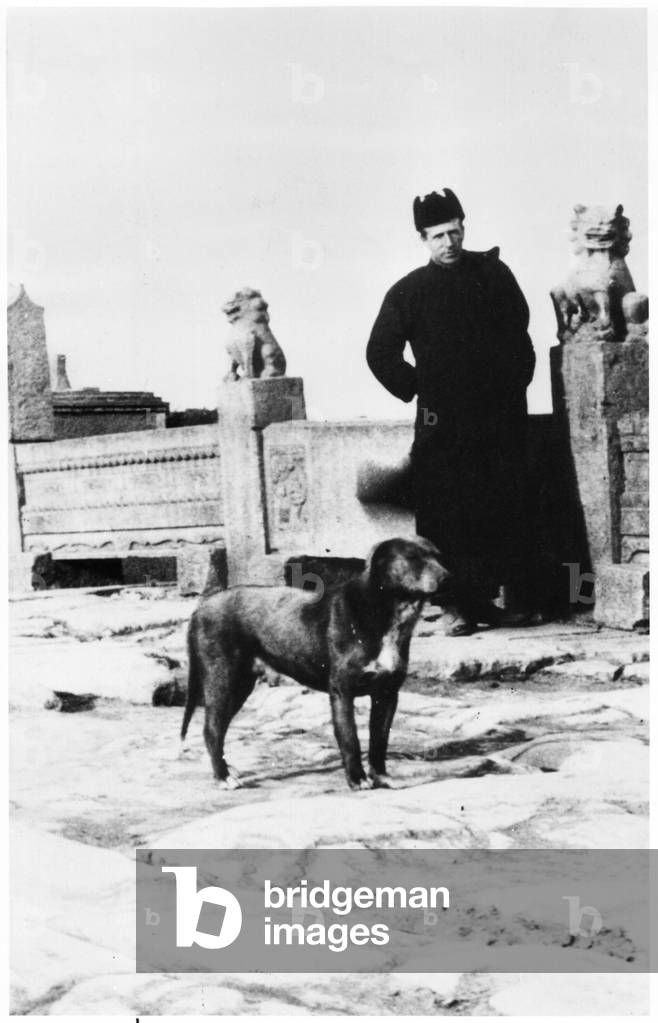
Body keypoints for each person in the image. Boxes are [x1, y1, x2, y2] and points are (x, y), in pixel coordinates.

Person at [366, 188, 536, 635]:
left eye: (454, 231)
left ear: (465, 226)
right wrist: (420, 387)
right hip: (443, 426)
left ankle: (488, 604)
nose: (449, 242)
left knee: (499, 509)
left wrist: (514, 384)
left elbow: (522, 335)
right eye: (438, 235)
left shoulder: (494, 273)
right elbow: (380, 352)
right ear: (423, 238)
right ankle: (454, 609)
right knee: (447, 516)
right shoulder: (408, 291)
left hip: (498, 421)